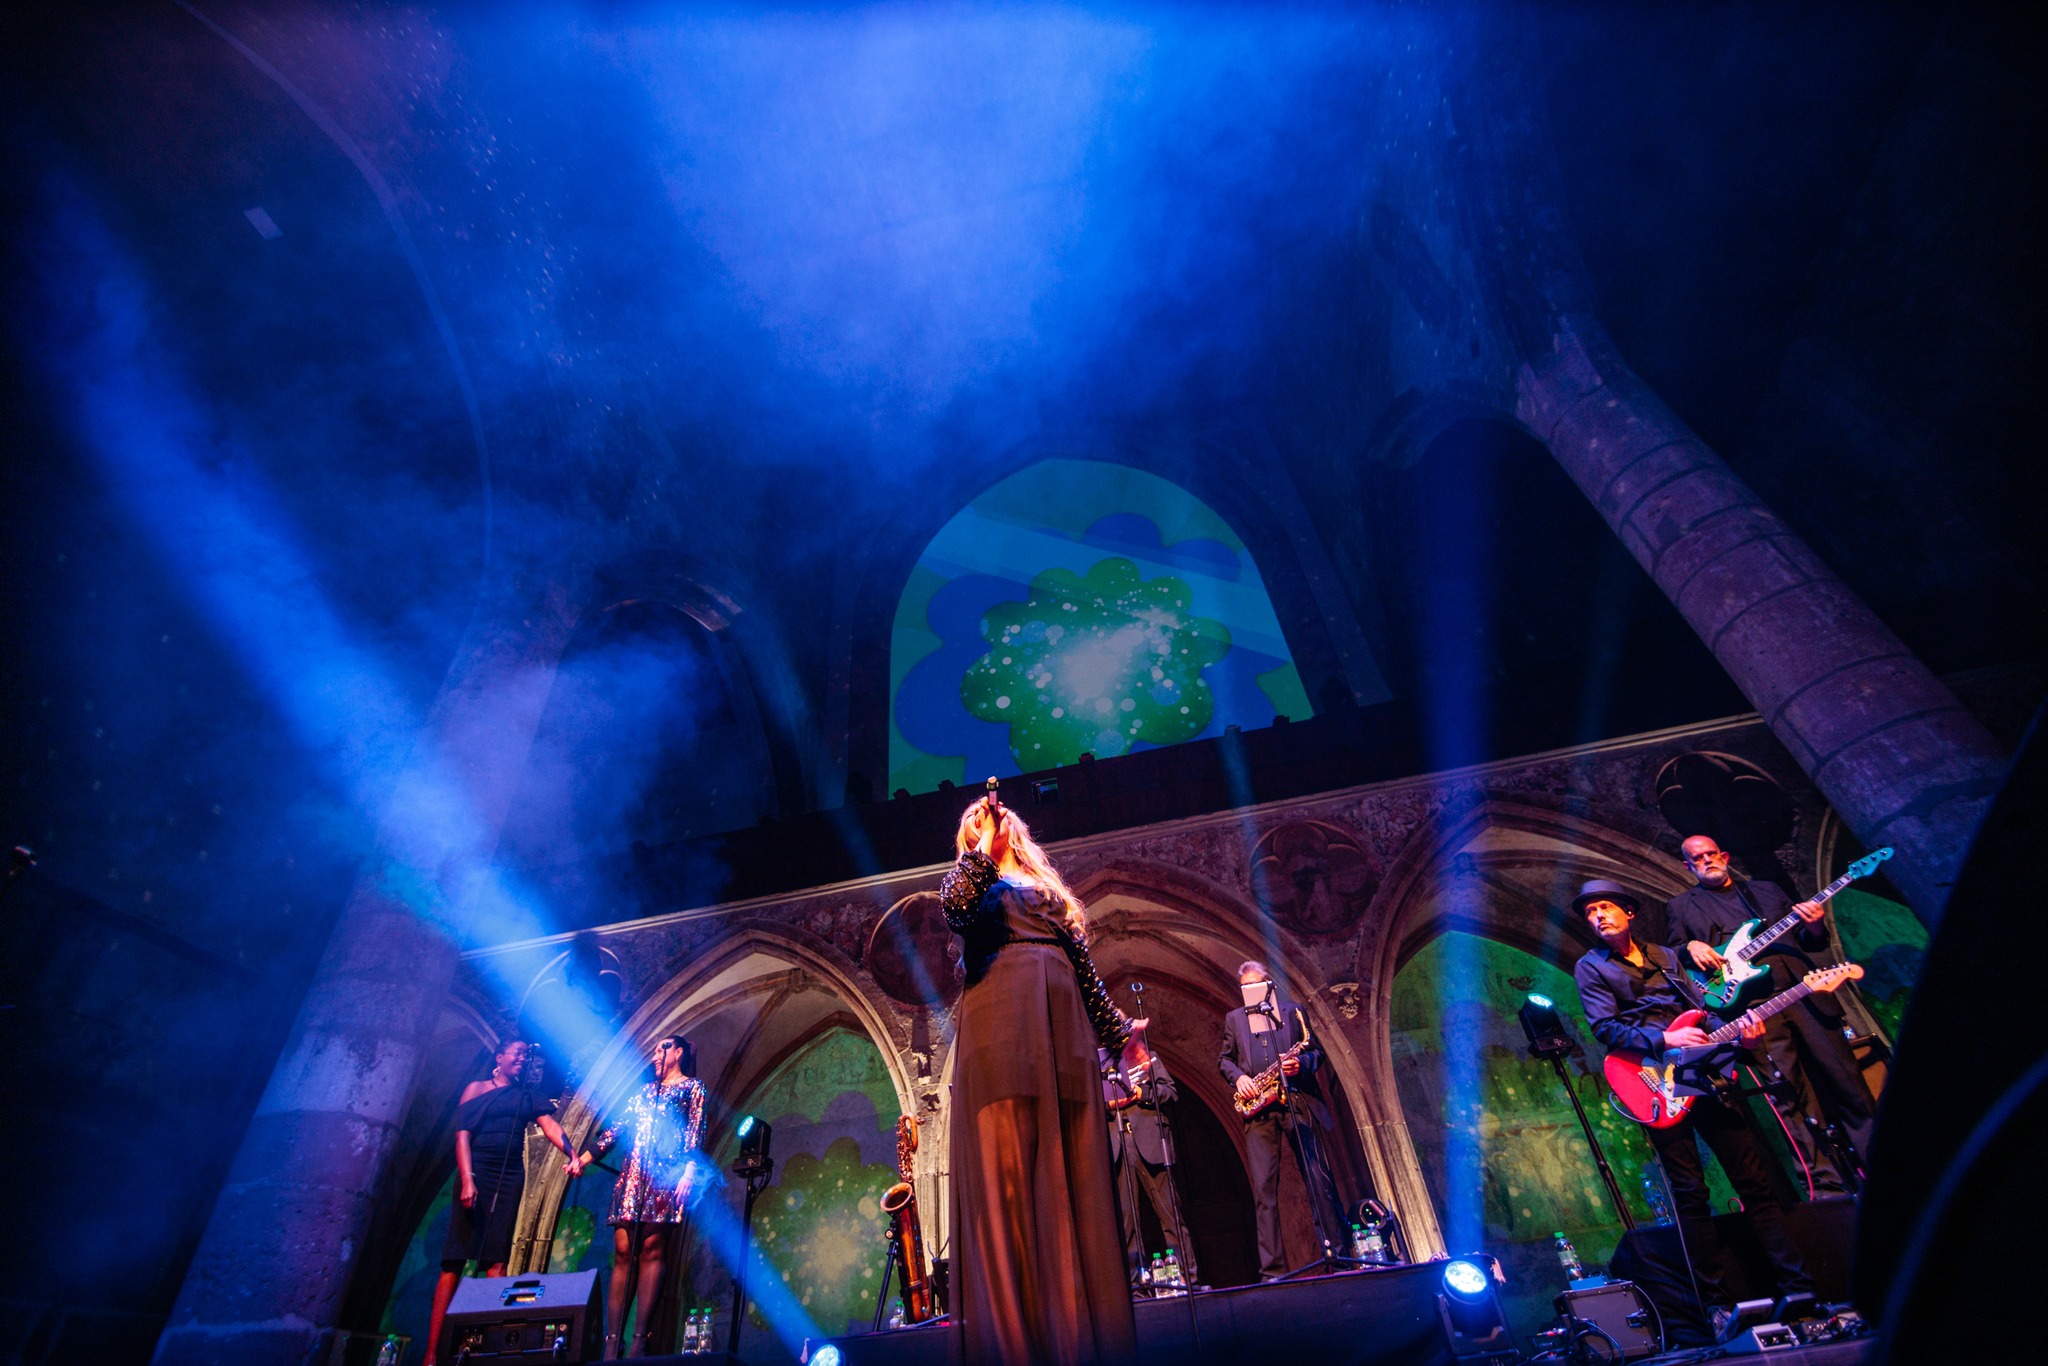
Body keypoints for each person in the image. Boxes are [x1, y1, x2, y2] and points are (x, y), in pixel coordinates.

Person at [940, 791, 1146, 1365]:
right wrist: (983, 852)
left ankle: (1079, 1341)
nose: (986, 818)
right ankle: (1016, 1347)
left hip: (1063, 1028)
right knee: (1006, 1184)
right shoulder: (971, 883)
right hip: (1001, 1023)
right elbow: (954, 909)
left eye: (991, 814)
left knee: (1070, 1175)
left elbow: (1084, 971)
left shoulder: (1047, 891)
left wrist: (1120, 1034)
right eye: (974, 821)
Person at [1571, 879, 1812, 1334]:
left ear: (1628, 912)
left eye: (1605, 906)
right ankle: (1716, 1307)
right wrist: (1665, 1038)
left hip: (1705, 1075)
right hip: (1652, 1081)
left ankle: (1801, 1291)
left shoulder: (1665, 956)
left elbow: (1703, 1010)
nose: (1597, 916)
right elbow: (1604, 1028)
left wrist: (1740, 1035)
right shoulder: (1591, 967)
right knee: (1690, 1194)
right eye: (1590, 912)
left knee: (1755, 1184)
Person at [1665, 836, 1877, 1189]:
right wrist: (1690, 946)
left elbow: (1811, 942)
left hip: (1806, 996)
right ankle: (1826, 1186)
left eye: (1711, 854)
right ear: (1688, 866)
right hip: (1754, 1012)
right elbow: (1673, 956)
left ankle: (1878, 1164)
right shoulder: (1681, 907)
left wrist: (1814, 924)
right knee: (1791, 1096)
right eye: (1697, 858)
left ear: (1725, 856)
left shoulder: (1766, 890)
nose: (1707, 861)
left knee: (1847, 1082)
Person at [424, 1038, 577, 1366]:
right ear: (500, 1057)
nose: (522, 1058)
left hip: (509, 1178)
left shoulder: (527, 1094)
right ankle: (432, 1354)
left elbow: (550, 1126)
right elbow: (462, 1136)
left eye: (525, 1055)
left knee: (497, 1260)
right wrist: (468, 1179)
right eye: (517, 1053)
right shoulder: (477, 1088)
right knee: (454, 1259)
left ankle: (489, 1350)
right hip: (477, 1170)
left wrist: (573, 1154)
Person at [566, 1035, 709, 1359]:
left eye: (662, 1049)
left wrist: (688, 1173)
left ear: (679, 1052)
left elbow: (695, 1132)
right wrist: (583, 1160)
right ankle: (612, 1341)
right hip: (633, 1178)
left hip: (666, 1176)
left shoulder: (693, 1088)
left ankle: (640, 1340)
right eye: (655, 1050)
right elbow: (614, 1130)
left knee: (652, 1249)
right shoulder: (644, 1093)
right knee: (623, 1251)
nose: (655, 1055)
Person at [1219, 960, 1349, 1280]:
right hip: (1258, 1108)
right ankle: (1271, 1271)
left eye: (1256, 985)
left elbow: (1316, 1053)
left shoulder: (1293, 1012)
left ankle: (1336, 1256)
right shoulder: (1234, 1019)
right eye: (1245, 988)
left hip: (1296, 1100)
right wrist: (1239, 1078)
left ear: (1269, 986)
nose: (1250, 992)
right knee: (1264, 1191)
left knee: (1318, 1180)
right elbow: (1224, 1060)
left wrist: (1300, 1064)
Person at [1101, 1047, 1198, 1290]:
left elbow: (1170, 1092)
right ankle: (1136, 1287)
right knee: (1127, 1222)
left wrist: (1141, 1093)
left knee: (1170, 1213)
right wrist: (1109, 1105)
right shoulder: (1098, 1063)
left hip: (1151, 1140)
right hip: (1117, 1143)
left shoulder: (1145, 1055)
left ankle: (1187, 1278)